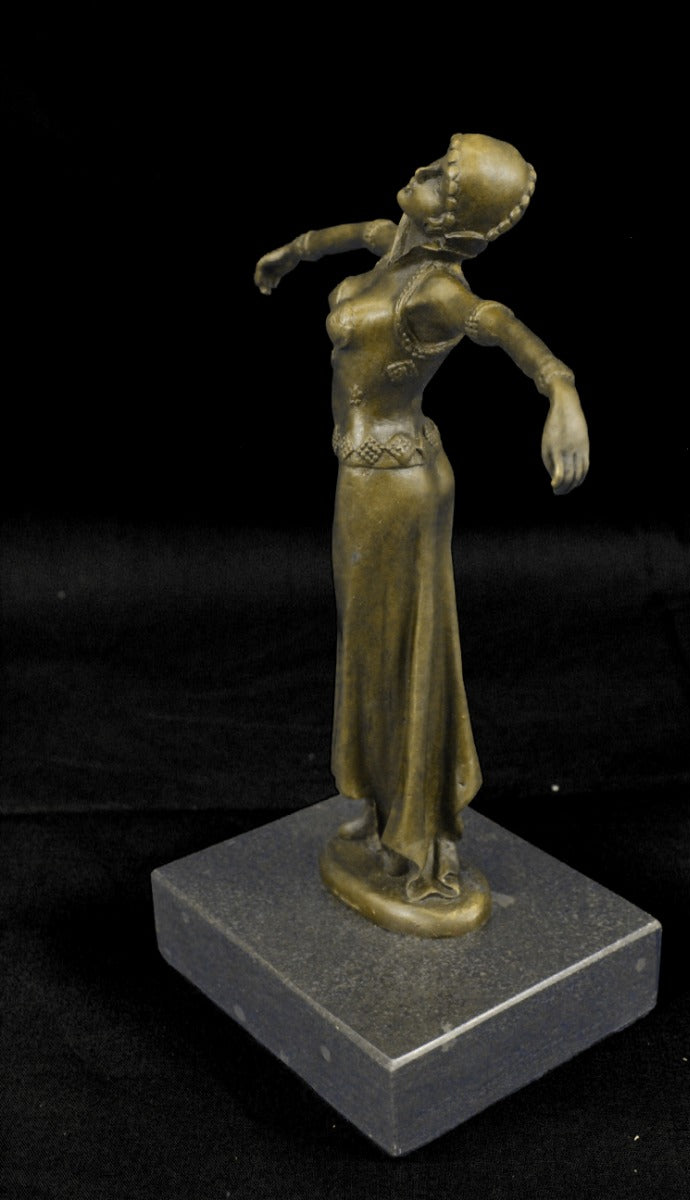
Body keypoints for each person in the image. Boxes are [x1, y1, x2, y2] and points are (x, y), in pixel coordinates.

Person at [255, 133, 589, 926]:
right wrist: (290, 253)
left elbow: (498, 323)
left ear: (455, 223)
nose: (423, 173)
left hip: (396, 487)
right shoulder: (392, 244)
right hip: (369, 475)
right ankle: (383, 815)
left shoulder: (434, 291)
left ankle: (419, 839)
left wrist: (561, 389)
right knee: (372, 649)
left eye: (444, 181)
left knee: (401, 652)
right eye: (436, 162)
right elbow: (338, 236)